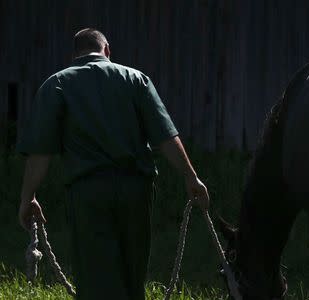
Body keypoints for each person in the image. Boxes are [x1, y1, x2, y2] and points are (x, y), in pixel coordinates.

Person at [17, 28, 209, 300]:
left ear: (75, 55)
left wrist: (28, 198)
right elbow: (166, 137)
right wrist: (192, 177)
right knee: (133, 276)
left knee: (95, 277)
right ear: (107, 50)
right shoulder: (136, 79)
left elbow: (40, 153)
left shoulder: (56, 84)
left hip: (88, 193)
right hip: (136, 191)